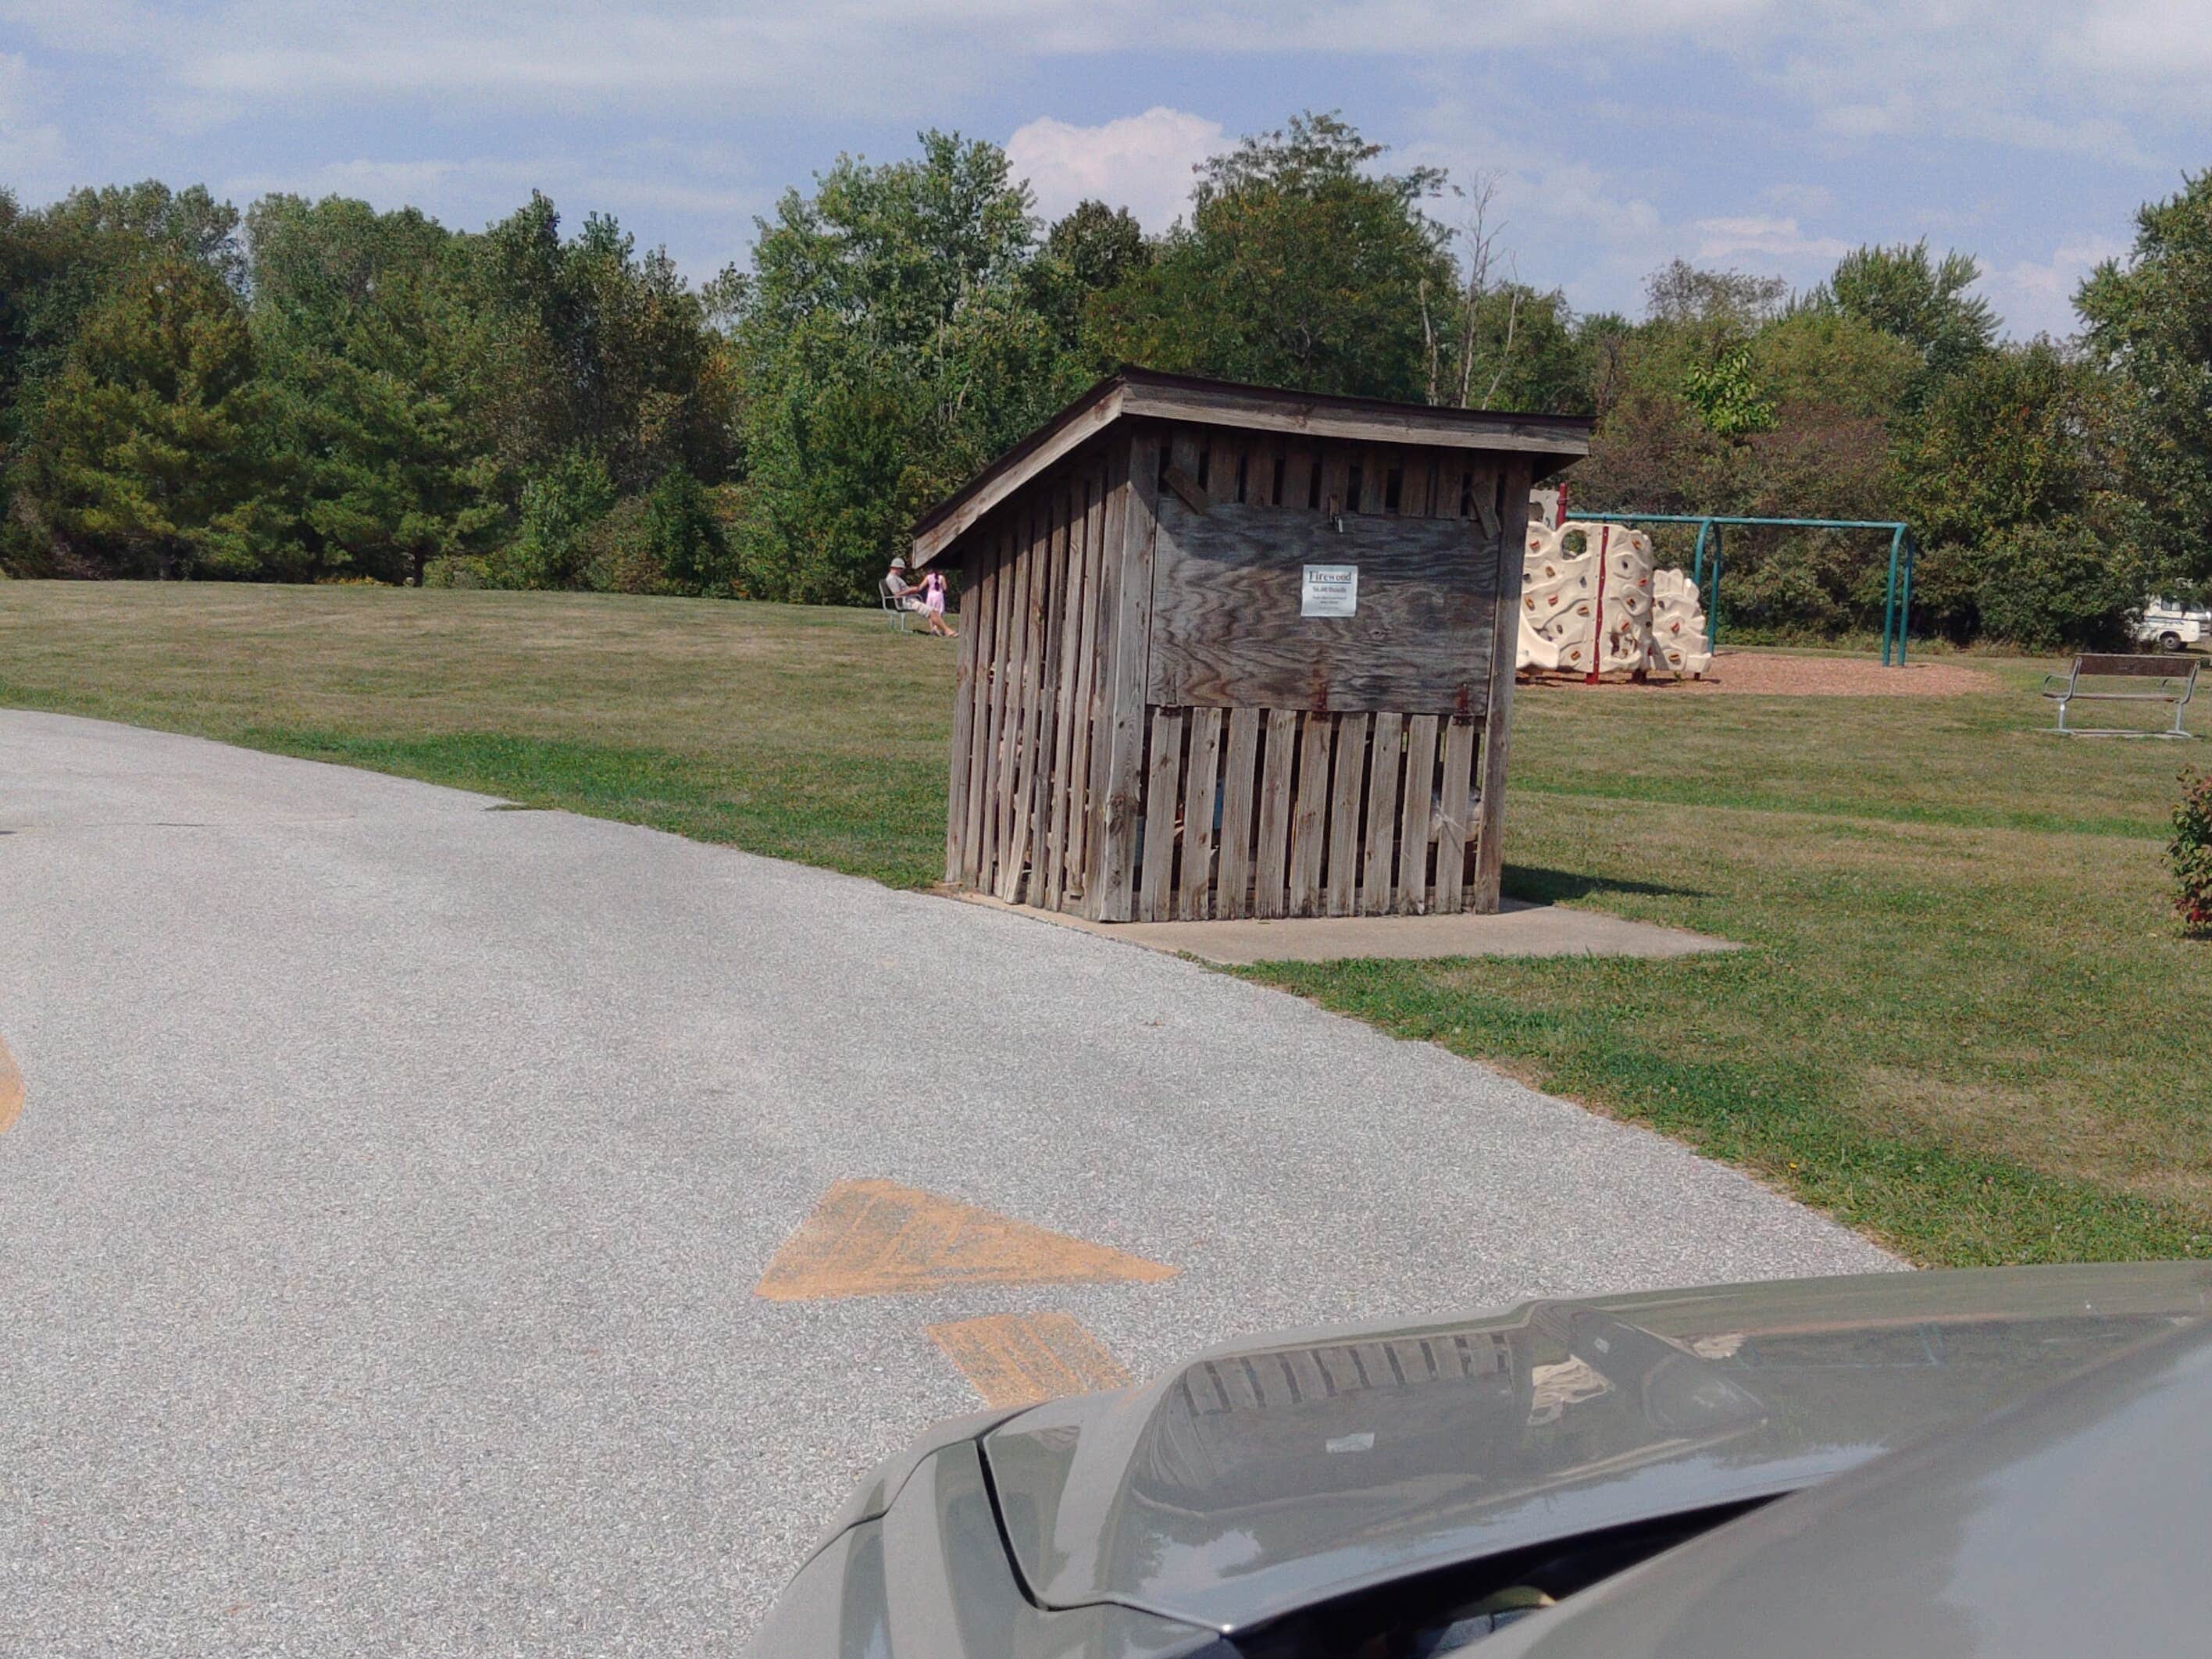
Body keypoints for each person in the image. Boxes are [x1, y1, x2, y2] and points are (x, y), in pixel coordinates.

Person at [919, 569, 954, 637]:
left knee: (930, 612)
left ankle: (932, 629)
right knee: (939, 612)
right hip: (938, 596)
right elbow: (945, 588)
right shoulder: (941, 577)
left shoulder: (928, 577)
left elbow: (921, 586)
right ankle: (936, 627)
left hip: (931, 596)